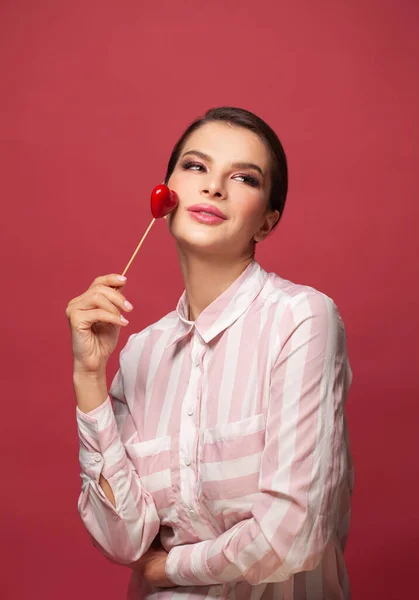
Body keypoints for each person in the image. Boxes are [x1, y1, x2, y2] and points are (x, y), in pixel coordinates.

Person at [66, 106, 354, 599]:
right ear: (166, 195)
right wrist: (90, 377)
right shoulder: (141, 353)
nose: (214, 187)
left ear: (267, 222)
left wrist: (168, 567)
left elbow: (291, 535)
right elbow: (124, 540)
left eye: (243, 177)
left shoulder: (303, 319)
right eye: (196, 167)